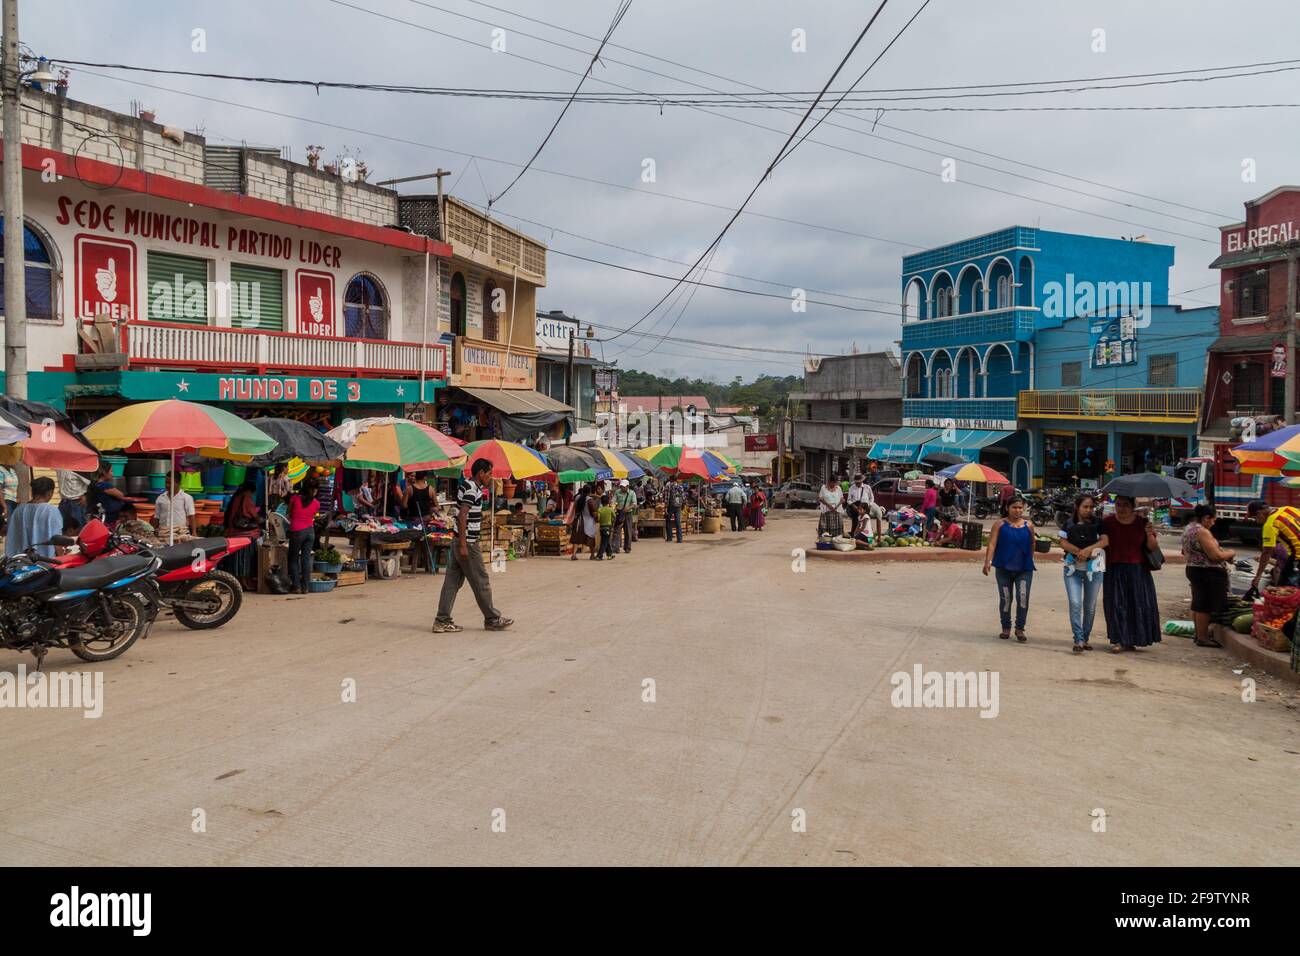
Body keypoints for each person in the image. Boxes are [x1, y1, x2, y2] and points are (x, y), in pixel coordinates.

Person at [433, 458, 512, 633]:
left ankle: (442, 620)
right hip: (467, 542)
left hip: (459, 540)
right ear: (481, 473)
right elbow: (462, 516)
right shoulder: (472, 489)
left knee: (452, 582)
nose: (490, 477)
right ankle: (492, 618)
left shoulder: (467, 486)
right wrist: (463, 544)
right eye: (489, 474)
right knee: (481, 581)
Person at [1101, 495, 1162, 653]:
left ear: (1133, 506)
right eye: (1118, 504)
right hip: (1114, 568)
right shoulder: (1107, 522)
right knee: (1116, 605)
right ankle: (1119, 640)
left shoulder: (1142, 523)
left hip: (1138, 570)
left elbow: (1152, 547)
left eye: (1126, 505)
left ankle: (1134, 638)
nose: (1121, 508)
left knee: (1137, 605)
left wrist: (1149, 533)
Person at [1058, 493, 1109, 653]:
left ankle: (1085, 638)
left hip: (1094, 570)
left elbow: (1105, 541)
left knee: (1090, 607)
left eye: (1091, 507)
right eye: (1085, 506)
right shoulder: (1068, 523)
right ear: (1077, 507)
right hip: (1072, 570)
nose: (1088, 510)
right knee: (1075, 604)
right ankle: (1078, 639)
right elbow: (1063, 542)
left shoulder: (1099, 523)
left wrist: (1088, 550)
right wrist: (1078, 551)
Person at [983, 495, 1036, 642]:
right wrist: (987, 561)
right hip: (1003, 568)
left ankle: (1020, 628)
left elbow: (1032, 543)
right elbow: (992, 543)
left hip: (1024, 569)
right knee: (1006, 598)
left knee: (1023, 597)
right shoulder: (999, 524)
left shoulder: (1029, 525)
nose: (1017, 510)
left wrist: (1029, 558)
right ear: (1007, 508)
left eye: (1020, 507)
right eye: (1014, 507)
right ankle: (1005, 627)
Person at [1182, 504, 1235, 649]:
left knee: (1198, 602)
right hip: (1206, 571)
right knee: (1204, 605)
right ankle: (1203, 637)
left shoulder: (1189, 528)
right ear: (1206, 518)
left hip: (1193, 568)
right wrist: (1231, 553)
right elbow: (1215, 556)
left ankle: (1199, 634)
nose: (1213, 523)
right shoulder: (1202, 531)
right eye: (1213, 520)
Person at [1245, 500, 1300, 594]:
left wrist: (1258, 576)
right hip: (1294, 556)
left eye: (1254, 518)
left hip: (1297, 557)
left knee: (1284, 590)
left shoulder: (1270, 524)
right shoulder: (1288, 509)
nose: (1257, 521)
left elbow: (1266, 552)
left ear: (1259, 513)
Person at [5, 476, 63, 558]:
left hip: (19, 562)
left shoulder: (19, 510)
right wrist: (61, 557)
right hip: (45, 563)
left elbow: (12, 537)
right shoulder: (51, 511)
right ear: (49, 492)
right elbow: (57, 540)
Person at [287, 479, 320, 594]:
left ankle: (296, 586)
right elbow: (312, 515)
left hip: (297, 531)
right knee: (306, 559)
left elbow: (289, 513)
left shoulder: (294, 499)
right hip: (310, 531)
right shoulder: (316, 503)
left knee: (293, 558)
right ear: (314, 490)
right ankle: (306, 587)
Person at [154, 469, 197, 539]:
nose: (167, 485)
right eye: (166, 483)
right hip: (163, 533)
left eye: (170, 483)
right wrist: (153, 531)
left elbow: (191, 516)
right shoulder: (160, 498)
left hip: (181, 533)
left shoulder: (187, 498)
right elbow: (157, 517)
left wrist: (194, 532)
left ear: (178, 483)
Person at [88, 461, 127, 528]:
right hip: (109, 519)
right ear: (104, 473)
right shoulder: (105, 486)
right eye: (111, 471)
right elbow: (121, 495)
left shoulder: (95, 485)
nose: (113, 474)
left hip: (101, 517)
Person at [569, 483, 599, 559]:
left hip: (578, 520)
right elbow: (594, 512)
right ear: (590, 491)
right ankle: (592, 555)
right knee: (590, 538)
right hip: (588, 521)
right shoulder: (590, 500)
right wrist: (597, 519)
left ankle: (574, 554)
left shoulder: (577, 497)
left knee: (576, 538)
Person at [56, 469, 89, 534]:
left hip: (77, 503)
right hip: (64, 502)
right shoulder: (59, 467)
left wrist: (86, 496)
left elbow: (92, 482)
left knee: (79, 529)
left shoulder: (78, 468)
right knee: (62, 528)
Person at [613, 479, 637, 553]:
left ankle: (627, 547)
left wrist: (629, 507)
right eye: (621, 487)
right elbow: (613, 501)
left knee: (628, 531)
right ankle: (616, 548)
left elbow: (634, 504)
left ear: (627, 486)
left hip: (628, 514)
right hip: (619, 513)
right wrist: (616, 507)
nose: (622, 488)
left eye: (623, 487)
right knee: (617, 531)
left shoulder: (632, 493)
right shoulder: (617, 492)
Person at [664, 476, 685, 543]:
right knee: (678, 522)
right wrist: (682, 505)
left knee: (668, 520)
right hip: (678, 506)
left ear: (671, 479)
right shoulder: (680, 486)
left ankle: (669, 538)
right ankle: (679, 539)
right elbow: (683, 497)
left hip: (671, 505)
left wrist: (665, 507)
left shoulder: (668, 485)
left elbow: (667, 497)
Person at [596, 493, 616, 560]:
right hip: (608, 527)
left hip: (601, 528)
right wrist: (612, 523)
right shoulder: (610, 509)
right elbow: (614, 517)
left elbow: (598, 519)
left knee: (606, 541)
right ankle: (599, 556)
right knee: (604, 542)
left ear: (601, 502)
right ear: (608, 501)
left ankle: (609, 554)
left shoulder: (600, 509)